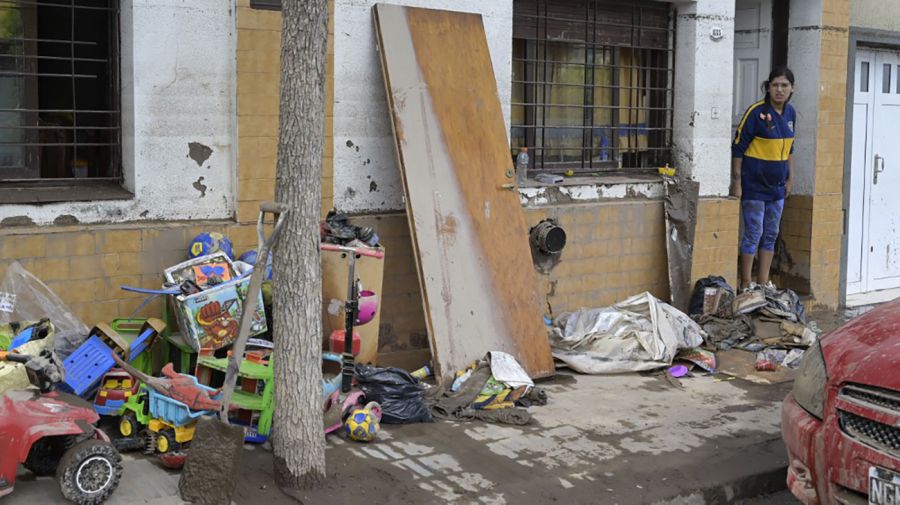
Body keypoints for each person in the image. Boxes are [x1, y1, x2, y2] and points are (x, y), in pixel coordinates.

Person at [731, 67, 796, 290]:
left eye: (784, 85)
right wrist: (737, 181)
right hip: (754, 187)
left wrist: (790, 179)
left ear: (791, 89)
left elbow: (789, 150)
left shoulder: (791, 114)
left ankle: (763, 282)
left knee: (771, 234)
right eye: (775, 85)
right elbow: (738, 148)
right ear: (768, 88)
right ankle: (746, 283)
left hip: (777, 188)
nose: (779, 90)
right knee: (754, 233)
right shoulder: (756, 113)